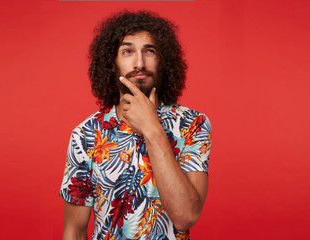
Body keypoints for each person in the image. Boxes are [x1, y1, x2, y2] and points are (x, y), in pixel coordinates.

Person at [60, 10, 212, 240]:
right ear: (112, 64)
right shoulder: (86, 134)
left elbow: (185, 215)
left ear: (163, 61)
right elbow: (75, 230)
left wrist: (152, 127)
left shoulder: (193, 125)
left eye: (149, 51)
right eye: (127, 51)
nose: (139, 63)